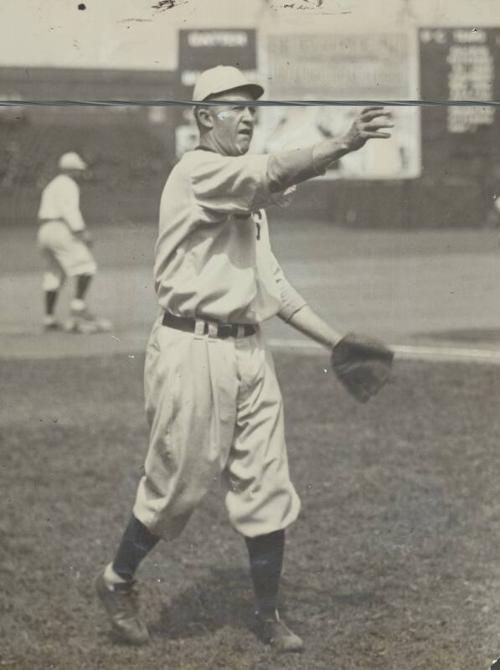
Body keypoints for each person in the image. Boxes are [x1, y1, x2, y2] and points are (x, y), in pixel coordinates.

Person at [95, 65, 393, 653]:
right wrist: (345, 141)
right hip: (189, 348)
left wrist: (334, 341)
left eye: (253, 108)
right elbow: (273, 170)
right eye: (235, 108)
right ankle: (117, 579)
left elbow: (273, 288)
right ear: (205, 118)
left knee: (267, 486)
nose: (248, 117)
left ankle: (266, 613)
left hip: (248, 350)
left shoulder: (247, 198)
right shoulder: (199, 171)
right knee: (175, 487)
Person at [37, 151, 111, 333]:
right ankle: (77, 308)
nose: (80, 173)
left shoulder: (52, 184)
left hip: (44, 230)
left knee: (54, 274)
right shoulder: (69, 184)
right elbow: (69, 210)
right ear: (73, 170)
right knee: (86, 267)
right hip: (60, 228)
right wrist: (81, 232)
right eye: (79, 169)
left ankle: (49, 318)